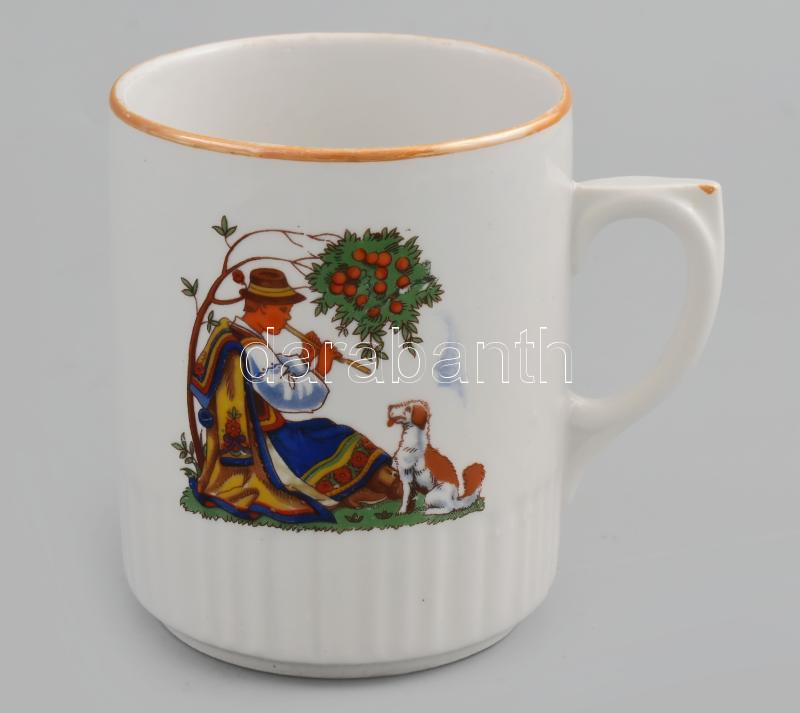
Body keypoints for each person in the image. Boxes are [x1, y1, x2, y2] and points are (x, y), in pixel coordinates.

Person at [189, 268, 401, 523]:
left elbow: (273, 368)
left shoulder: (238, 334)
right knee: (338, 436)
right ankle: (369, 487)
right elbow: (285, 396)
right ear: (264, 307)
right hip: (269, 444)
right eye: (284, 310)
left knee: (326, 429)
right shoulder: (252, 347)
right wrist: (320, 370)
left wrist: (304, 358)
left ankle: (366, 486)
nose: (288, 317)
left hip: (266, 431)